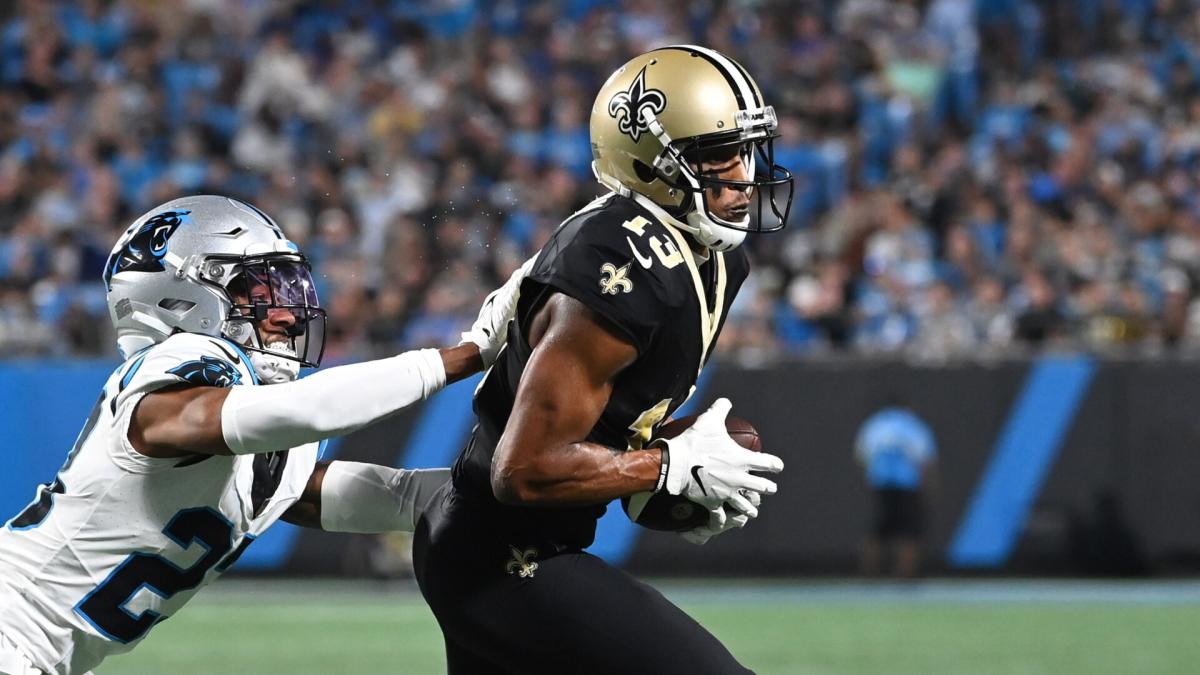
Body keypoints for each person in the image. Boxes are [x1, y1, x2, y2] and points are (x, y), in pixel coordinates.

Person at [0, 195, 528, 675]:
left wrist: (514, 486)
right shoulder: (179, 372)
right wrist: (470, 352)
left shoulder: (251, 423)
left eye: (284, 288)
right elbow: (300, 410)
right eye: (256, 290)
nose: (286, 313)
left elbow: (396, 497)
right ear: (180, 299)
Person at [413, 45, 796, 674]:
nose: (743, 176)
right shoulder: (624, 273)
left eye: (748, 151)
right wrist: (664, 465)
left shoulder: (715, 255)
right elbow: (525, 469)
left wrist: (678, 459)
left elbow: (608, 417)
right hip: (500, 557)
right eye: (715, 156)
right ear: (654, 166)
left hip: (510, 544)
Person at [854, 401, 938, 578]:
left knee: (878, 529)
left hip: (881, 483)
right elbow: (924, 456)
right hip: (907, 484)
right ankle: (905, 574)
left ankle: (869, 573)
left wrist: (871, 476)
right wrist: (927, 483)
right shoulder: (912, 425)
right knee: (909, 530)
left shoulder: (876, 424)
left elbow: (863, 454)